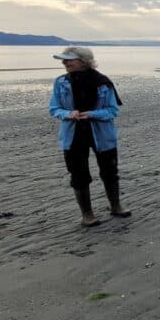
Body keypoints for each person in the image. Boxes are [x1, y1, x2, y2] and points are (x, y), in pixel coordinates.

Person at [49, 47, 130, 227]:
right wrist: (68, 114)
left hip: (102, 134)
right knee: (78, 174)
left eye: (70, 59)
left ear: (84, 61)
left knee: (110, 171)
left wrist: (93, 114)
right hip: (72, 135)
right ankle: (87, 214)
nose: (65, 63)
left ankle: (116, 206)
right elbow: (54, 109)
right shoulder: (60, 82)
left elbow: (112, 110)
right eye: (64, 60)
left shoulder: (103, 82)